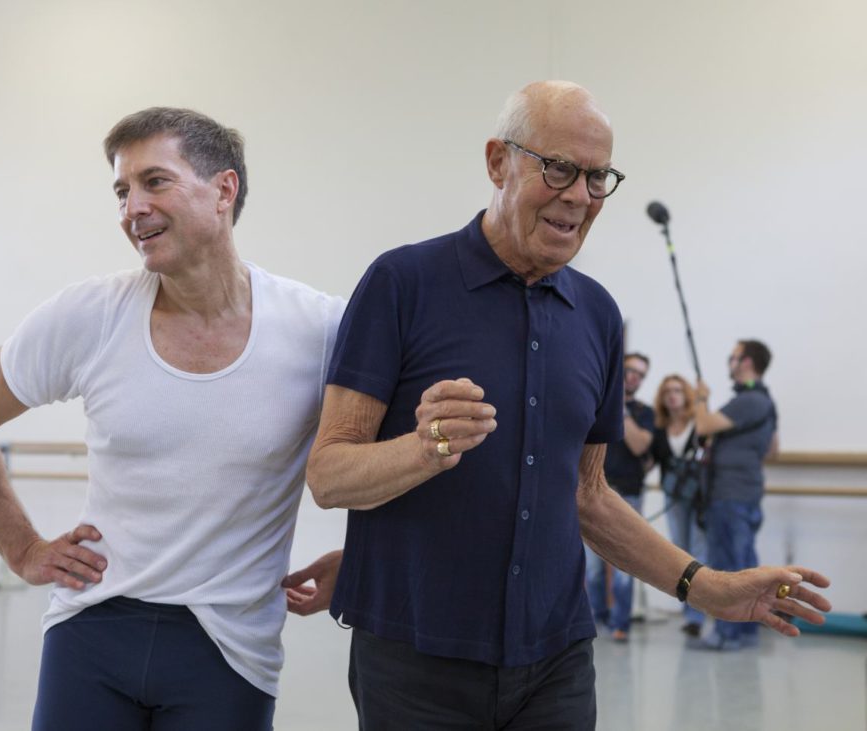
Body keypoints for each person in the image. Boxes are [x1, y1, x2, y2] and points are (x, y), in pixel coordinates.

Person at [303, 81, 830, 730]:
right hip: (417, 660)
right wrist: (420, 449)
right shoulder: (400, 285)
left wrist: (709, 584)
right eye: (559, 168)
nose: (580, 196)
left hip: (555, 660)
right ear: (498, 161)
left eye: (597, 176)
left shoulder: (599, 316)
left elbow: (589, 493)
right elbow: (328, 474)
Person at [0, 107, 345, 730]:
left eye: (155, 182)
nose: (132, 209)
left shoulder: (319, 328)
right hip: (91, 632)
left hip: (230, 650)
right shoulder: (90, 314)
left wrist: (364, 560)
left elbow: (393, 451)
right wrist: (21, 548)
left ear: (224, 190)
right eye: (122, 191)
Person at [692, 339, 778, 650]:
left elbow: (703, 424)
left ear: (745, 362)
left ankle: (727, 635)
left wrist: (701, 397)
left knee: (728, 567)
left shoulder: (750, 399)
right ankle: (745, 633)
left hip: (729, 495)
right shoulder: (765, 401)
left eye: (733, 356)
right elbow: (773, 449)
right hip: (744, 493)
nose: (730, 361)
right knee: (744, 563)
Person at [585, 352, 654, 642]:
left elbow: (639, 447)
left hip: (628, 494)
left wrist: (620, 408)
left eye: (641, 374)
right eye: (630, 370)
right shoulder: (596, 403)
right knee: (592, 568)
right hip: (591, 492)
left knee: (625, 564)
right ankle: (595, 620)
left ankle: (620, 623)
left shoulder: (644, 413)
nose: (634, 377)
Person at [650, 374, 707, 637]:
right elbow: (652, 461)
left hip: (699, 497)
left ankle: (697, 615)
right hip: (673, 496)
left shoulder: (698, 424)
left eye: (677, 390)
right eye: (667, 391)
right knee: (679, 551)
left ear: (686, 395)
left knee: (699, 551)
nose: (672, 395)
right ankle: (689, 611)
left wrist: (704, 400)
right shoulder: (659, 428)